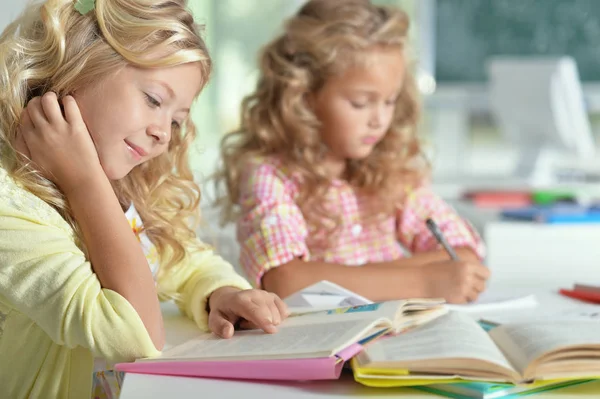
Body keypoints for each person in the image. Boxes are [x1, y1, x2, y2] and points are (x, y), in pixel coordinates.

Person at [0, 0, 287, 397]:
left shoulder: (124, 186)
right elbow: (138, 337)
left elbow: (185, 261)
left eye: (175, 120)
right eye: (153, 99)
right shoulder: (11, 207)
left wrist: (220, 293)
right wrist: (85, 182)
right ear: (78, 67)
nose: (164, 135)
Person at [215, 0, 489, 305]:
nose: (380, 119)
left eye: (389, 101)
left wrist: (330, 278)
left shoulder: (392, 167)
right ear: (303, 98)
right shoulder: (270, 174)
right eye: (361, 103)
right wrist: (425, 283)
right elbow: (284, 281)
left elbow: (464, 255)